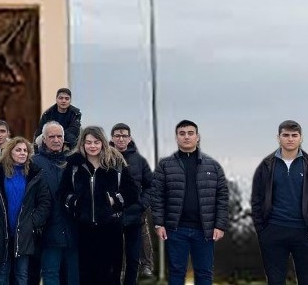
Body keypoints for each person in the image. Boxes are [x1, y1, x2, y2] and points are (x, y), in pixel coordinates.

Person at [250, 120, 308, 285]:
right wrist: (262, 229)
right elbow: (256, 199)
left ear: (301, 138)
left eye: (294, 135)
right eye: (285, 135)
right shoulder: (266, 166)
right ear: (278, 138)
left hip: (306, 233)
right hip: (273, 231)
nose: (290, 139)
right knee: (275, 281)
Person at [151, 120, 228, 285]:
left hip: (204, 230)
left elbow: (222, 197)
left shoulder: (213, 166)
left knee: (204, 273)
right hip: (176, 229)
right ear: (177, 137)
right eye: (182, 133)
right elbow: (157, 196)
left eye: (190, 133)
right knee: (177, 272)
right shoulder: (165, 165)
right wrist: (159, 223)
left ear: (197, 137)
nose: (186, 137)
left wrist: (220, 225)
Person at [65, 127, 137, 285]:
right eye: (88, 142)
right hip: (84, 228)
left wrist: (114, 201)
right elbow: (63, 192)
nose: (92, 146)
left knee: (110, 275)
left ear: (102, 143)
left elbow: (132, 191)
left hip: (110, 227)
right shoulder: (74, 164)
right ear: (82, 143)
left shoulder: (115, 162)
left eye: (96, 142)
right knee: (87, 275)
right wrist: (74, 202)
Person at [0, 138, 51, 285]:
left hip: (24, 233)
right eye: (18, 150)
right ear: (9, 152)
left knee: (22, 275)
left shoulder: (35, 174)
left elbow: (44, 203)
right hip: (2, 232)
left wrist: (32, 223)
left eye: (25, 150)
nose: (22, 153)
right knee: (2, 274)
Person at [31, 122, 78, 285]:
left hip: (73, 230)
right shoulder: (33, 163)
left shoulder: (73, 162)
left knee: (73, 275)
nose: (56, 140)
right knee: (50, 274)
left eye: (59, 136)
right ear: (44, 139)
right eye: (52, 136)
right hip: (47, 231)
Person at [109, 125, 153, 285]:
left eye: (124, 136)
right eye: (117, 135)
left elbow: (151, 185)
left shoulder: (139, 161)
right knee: (114, 259)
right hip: (111, 217)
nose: (121, 138)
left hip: (135, 216)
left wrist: (142, 204)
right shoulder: (105, 158)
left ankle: (145, 266)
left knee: (133, 259)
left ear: (129, 138)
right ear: (112, 138)